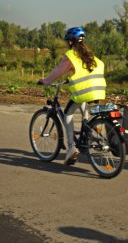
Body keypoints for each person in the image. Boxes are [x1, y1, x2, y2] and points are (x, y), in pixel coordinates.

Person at [37, 27, 107, 165]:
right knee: (82, 105)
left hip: (84, 91)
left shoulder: (71, 55)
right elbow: (84, 72)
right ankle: (86, 135)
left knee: (68, 113)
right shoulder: (90, 55)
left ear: (70, 42)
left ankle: (70, 148)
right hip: (99, 90)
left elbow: (58, 71)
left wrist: (46, 81)